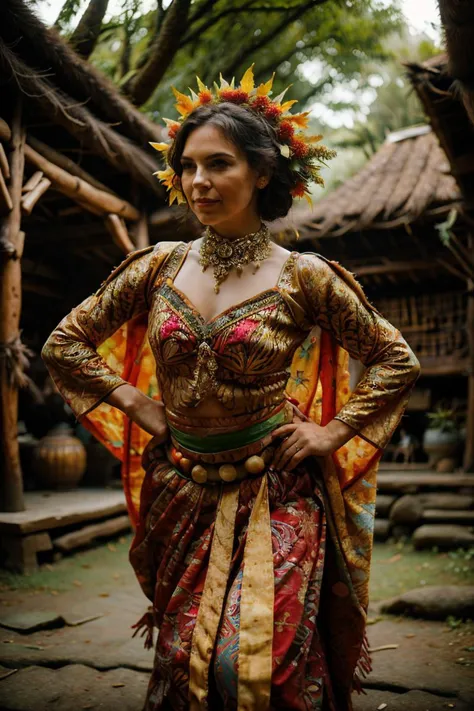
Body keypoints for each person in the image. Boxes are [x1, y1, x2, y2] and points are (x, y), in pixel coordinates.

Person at [42, 67, 420, 711]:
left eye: (218, 164)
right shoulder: (158, 265)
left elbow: (395, 358)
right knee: (186, 658)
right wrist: (138, 404)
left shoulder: (306, 278)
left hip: (277, 488)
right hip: (181, 489)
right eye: (187, 167)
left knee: (259, 665)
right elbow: (63, 344)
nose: (198, 183)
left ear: (264, 173)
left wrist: (330, 432)